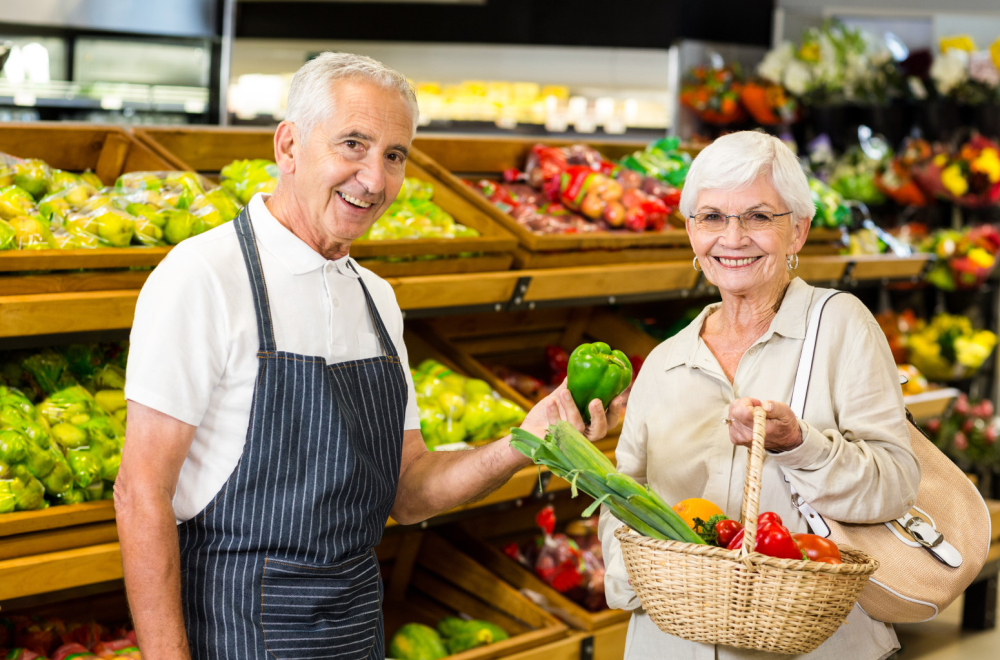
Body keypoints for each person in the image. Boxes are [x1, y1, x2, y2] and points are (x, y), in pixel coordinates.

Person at [115, 52, 622, 660]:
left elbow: (408, 490)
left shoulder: (375, 297)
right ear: (289, 146)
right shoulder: (204, 277)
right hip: (235, 631)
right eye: (352, 145)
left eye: (394, 155)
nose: (375, 180)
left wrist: (526, 440)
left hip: (355, 632)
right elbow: (140, 494)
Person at [598, 131, 921, 660]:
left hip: (813, 646)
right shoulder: (664, 363)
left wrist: (800, 445)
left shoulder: (841, 326)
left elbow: (896, 486)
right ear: (690, 233)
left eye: (757, 216)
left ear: (798, 231)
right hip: (673, 645)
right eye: (712, 217)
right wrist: (646, 588)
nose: (733, 237)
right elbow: (623, 496)